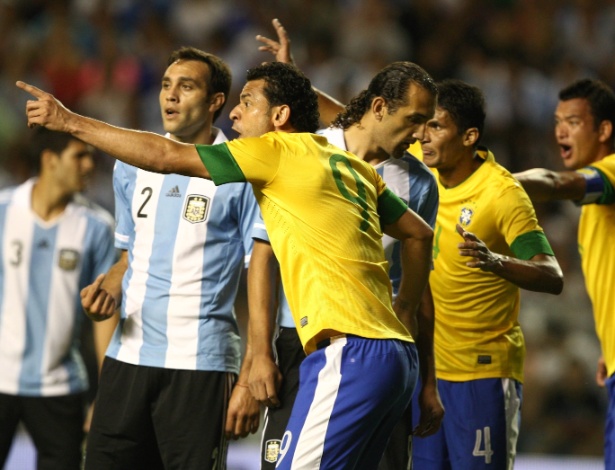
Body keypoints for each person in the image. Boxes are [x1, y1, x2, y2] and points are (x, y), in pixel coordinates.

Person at [18, 59, 435, 470]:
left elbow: (165, 156)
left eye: (247, 102)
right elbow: (419, 235)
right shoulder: (348, 164)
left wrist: (71, 121)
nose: (235, 111)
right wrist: (404, 309)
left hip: (350, 353)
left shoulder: (275, 152)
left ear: (279, 116)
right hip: (397, 358)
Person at [248, 19, 443, 470]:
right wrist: (259, 353)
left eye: (425, 123)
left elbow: (418, 281)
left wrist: (428, 379)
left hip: (377, 346)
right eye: (414, 120)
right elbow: (263, 253)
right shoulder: (307, 148)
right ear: (379, 107)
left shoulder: (417, 185)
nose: (419, 135)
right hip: (301, 338)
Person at [77, 47, 261, 469]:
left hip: (200, 363)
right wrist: (110, 282)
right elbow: (130, 256)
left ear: (216, 102)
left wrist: (251, 370)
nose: (170, 96)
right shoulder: (132, 163)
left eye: (186, 86)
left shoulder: (241, 171)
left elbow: (259, 279)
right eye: (165, 85)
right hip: (129, 359)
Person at [409, 78, 564, 469]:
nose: (423, 137)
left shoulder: (502, 194)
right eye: (423, 125)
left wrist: (497, 261)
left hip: (483, 373)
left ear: (469, 136)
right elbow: (355, 122)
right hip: (427, 371)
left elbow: (552, 274)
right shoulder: (419, 163)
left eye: (436, 127)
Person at [514, 78, 615, 469]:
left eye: (572, 121)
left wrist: (490, 183)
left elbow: (557, 182)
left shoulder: (608, 173)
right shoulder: (596, 203)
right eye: (558, 121)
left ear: (604, 130)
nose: (560, 130)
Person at [0, 127, 115, 470]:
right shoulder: (4, 210)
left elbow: (106, 313)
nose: (89, 164)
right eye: (79, 155)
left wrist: (105, 395)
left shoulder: (96, 227)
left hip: (61, 385)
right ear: (50, 160)